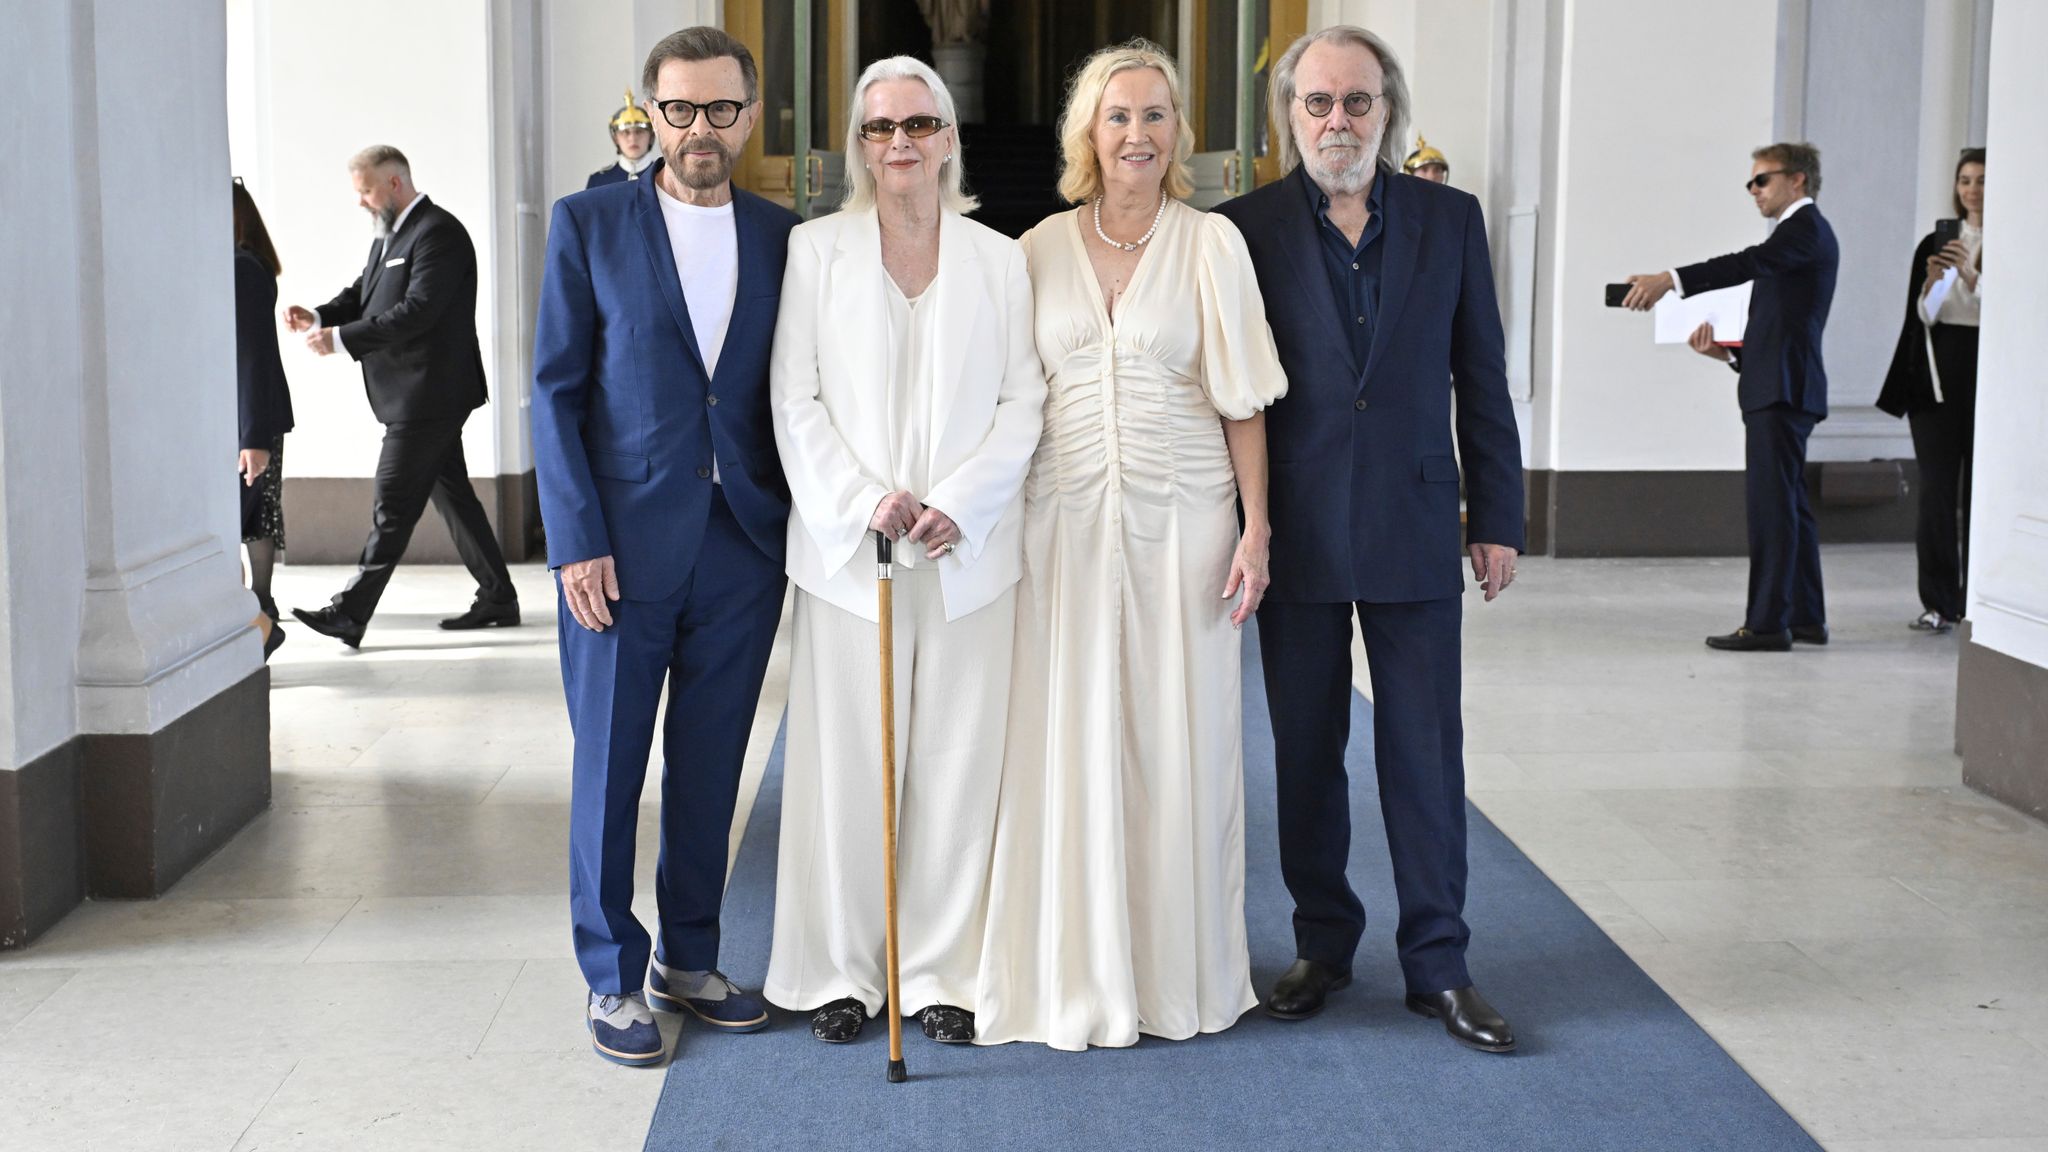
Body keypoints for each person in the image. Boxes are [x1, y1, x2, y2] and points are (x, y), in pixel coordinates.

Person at [1212, 26, 1525, 1054]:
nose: (1335, 120)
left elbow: (1479, 374)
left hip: (1414, 521)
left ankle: (1437, 964)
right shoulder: (1240, 230)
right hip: (1292, 532)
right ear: (1288, 115)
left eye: (1355, 102)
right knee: (1304, 752)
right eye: (1316, 103)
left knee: (1424, 754)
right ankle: (1322, 944)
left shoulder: (1447, 220)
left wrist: (1499, 517)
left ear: (1386, 111)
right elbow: (1224, 395)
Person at [973, 40, 1285, 1052]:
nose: (1136, 134)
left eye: (1154, 117)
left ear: (1176, 135)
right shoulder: (1035, 249)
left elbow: (1242, 402)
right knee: (1063, 738)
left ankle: (1173, 972)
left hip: (1182, 524)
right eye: (1118, 117)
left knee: (1174, 739)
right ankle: (1071, 968)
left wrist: (1255, 531)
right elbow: (1007, 401)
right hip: (1057, 524)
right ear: (1087, 134)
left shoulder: (1211, 246)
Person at [533, 28, 800, 1068]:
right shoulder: (588, 224)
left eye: (720, 110)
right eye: (679, 110)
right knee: (609, 769)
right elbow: (552, 393)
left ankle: (687, 960)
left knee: (707, 767)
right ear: (648, 112)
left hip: (740, 546)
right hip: (616, 554)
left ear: (749, 113)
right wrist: (572, 544)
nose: (699, 130)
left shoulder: (786, 237)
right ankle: (609, 975)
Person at [765, 55, 1044, 1048]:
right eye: (881, 128)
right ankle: (842, 968)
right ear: (859, 144)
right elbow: (791, 400)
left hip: (966, 559)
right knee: (848, 768)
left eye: (918, 125)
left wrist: (959, 505)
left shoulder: (999, 260)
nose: (900, 144)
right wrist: (860, 500)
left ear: (948, 137)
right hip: (852, 559)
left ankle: (940, 972)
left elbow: (1023, 400)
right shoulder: (814, 253)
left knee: (957, 766)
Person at [284, 145, 520, 647]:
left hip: (429, 394)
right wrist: (321, 316)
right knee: (454, 498)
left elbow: (418, 311)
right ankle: (499, 596)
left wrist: (342, 341)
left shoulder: (439, 232)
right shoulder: (391, 234)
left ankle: (351, 612)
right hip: (413, 395)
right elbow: (364, 293)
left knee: (392, 504)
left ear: (394, 184)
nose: (362, 202)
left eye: (366, 191)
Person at [1625, 142, 1839, 652]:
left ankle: (1767, 624)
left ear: (1798, 181)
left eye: (1761, 180)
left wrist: (1671, 280)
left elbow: (1748, 262)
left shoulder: (1803, 229)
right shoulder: (1799, 237)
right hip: (1781, 384)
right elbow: (1780, 327)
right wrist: (1730, 356)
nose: (1753, 191)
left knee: (1772, 511)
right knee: (1789, 508)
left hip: (1783, 390)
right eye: (1751, 182)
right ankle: (1805, 617)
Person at [1877, 148, 1985, 633]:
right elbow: (1923, 318)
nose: (1972, 190)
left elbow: (2012, 310)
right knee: (1937, 491)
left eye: (1982, 181)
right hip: (1937, 376)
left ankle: (1982, 601)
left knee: (1983, 492)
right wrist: (1934, 284)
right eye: (1965, 180)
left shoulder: (2018, 240)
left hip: (1987, 369)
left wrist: (1971, 276)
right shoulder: (1935, 242)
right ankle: (1940, 602)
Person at [232, 178, 295, 660]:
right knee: (253, 518)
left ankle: (261, 618)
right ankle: (261, 617)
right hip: (246, 419)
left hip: (249, 422)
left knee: (250, 517)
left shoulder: (243, 269)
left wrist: (253, 436)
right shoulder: (244, 266)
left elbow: (252, 355)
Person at [587, 90, 658, 188]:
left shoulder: (664, 176)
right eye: (625, 132)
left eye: (639, 131)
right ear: (615, 138)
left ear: (651, 136)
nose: (633, 138)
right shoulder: (599, 180)